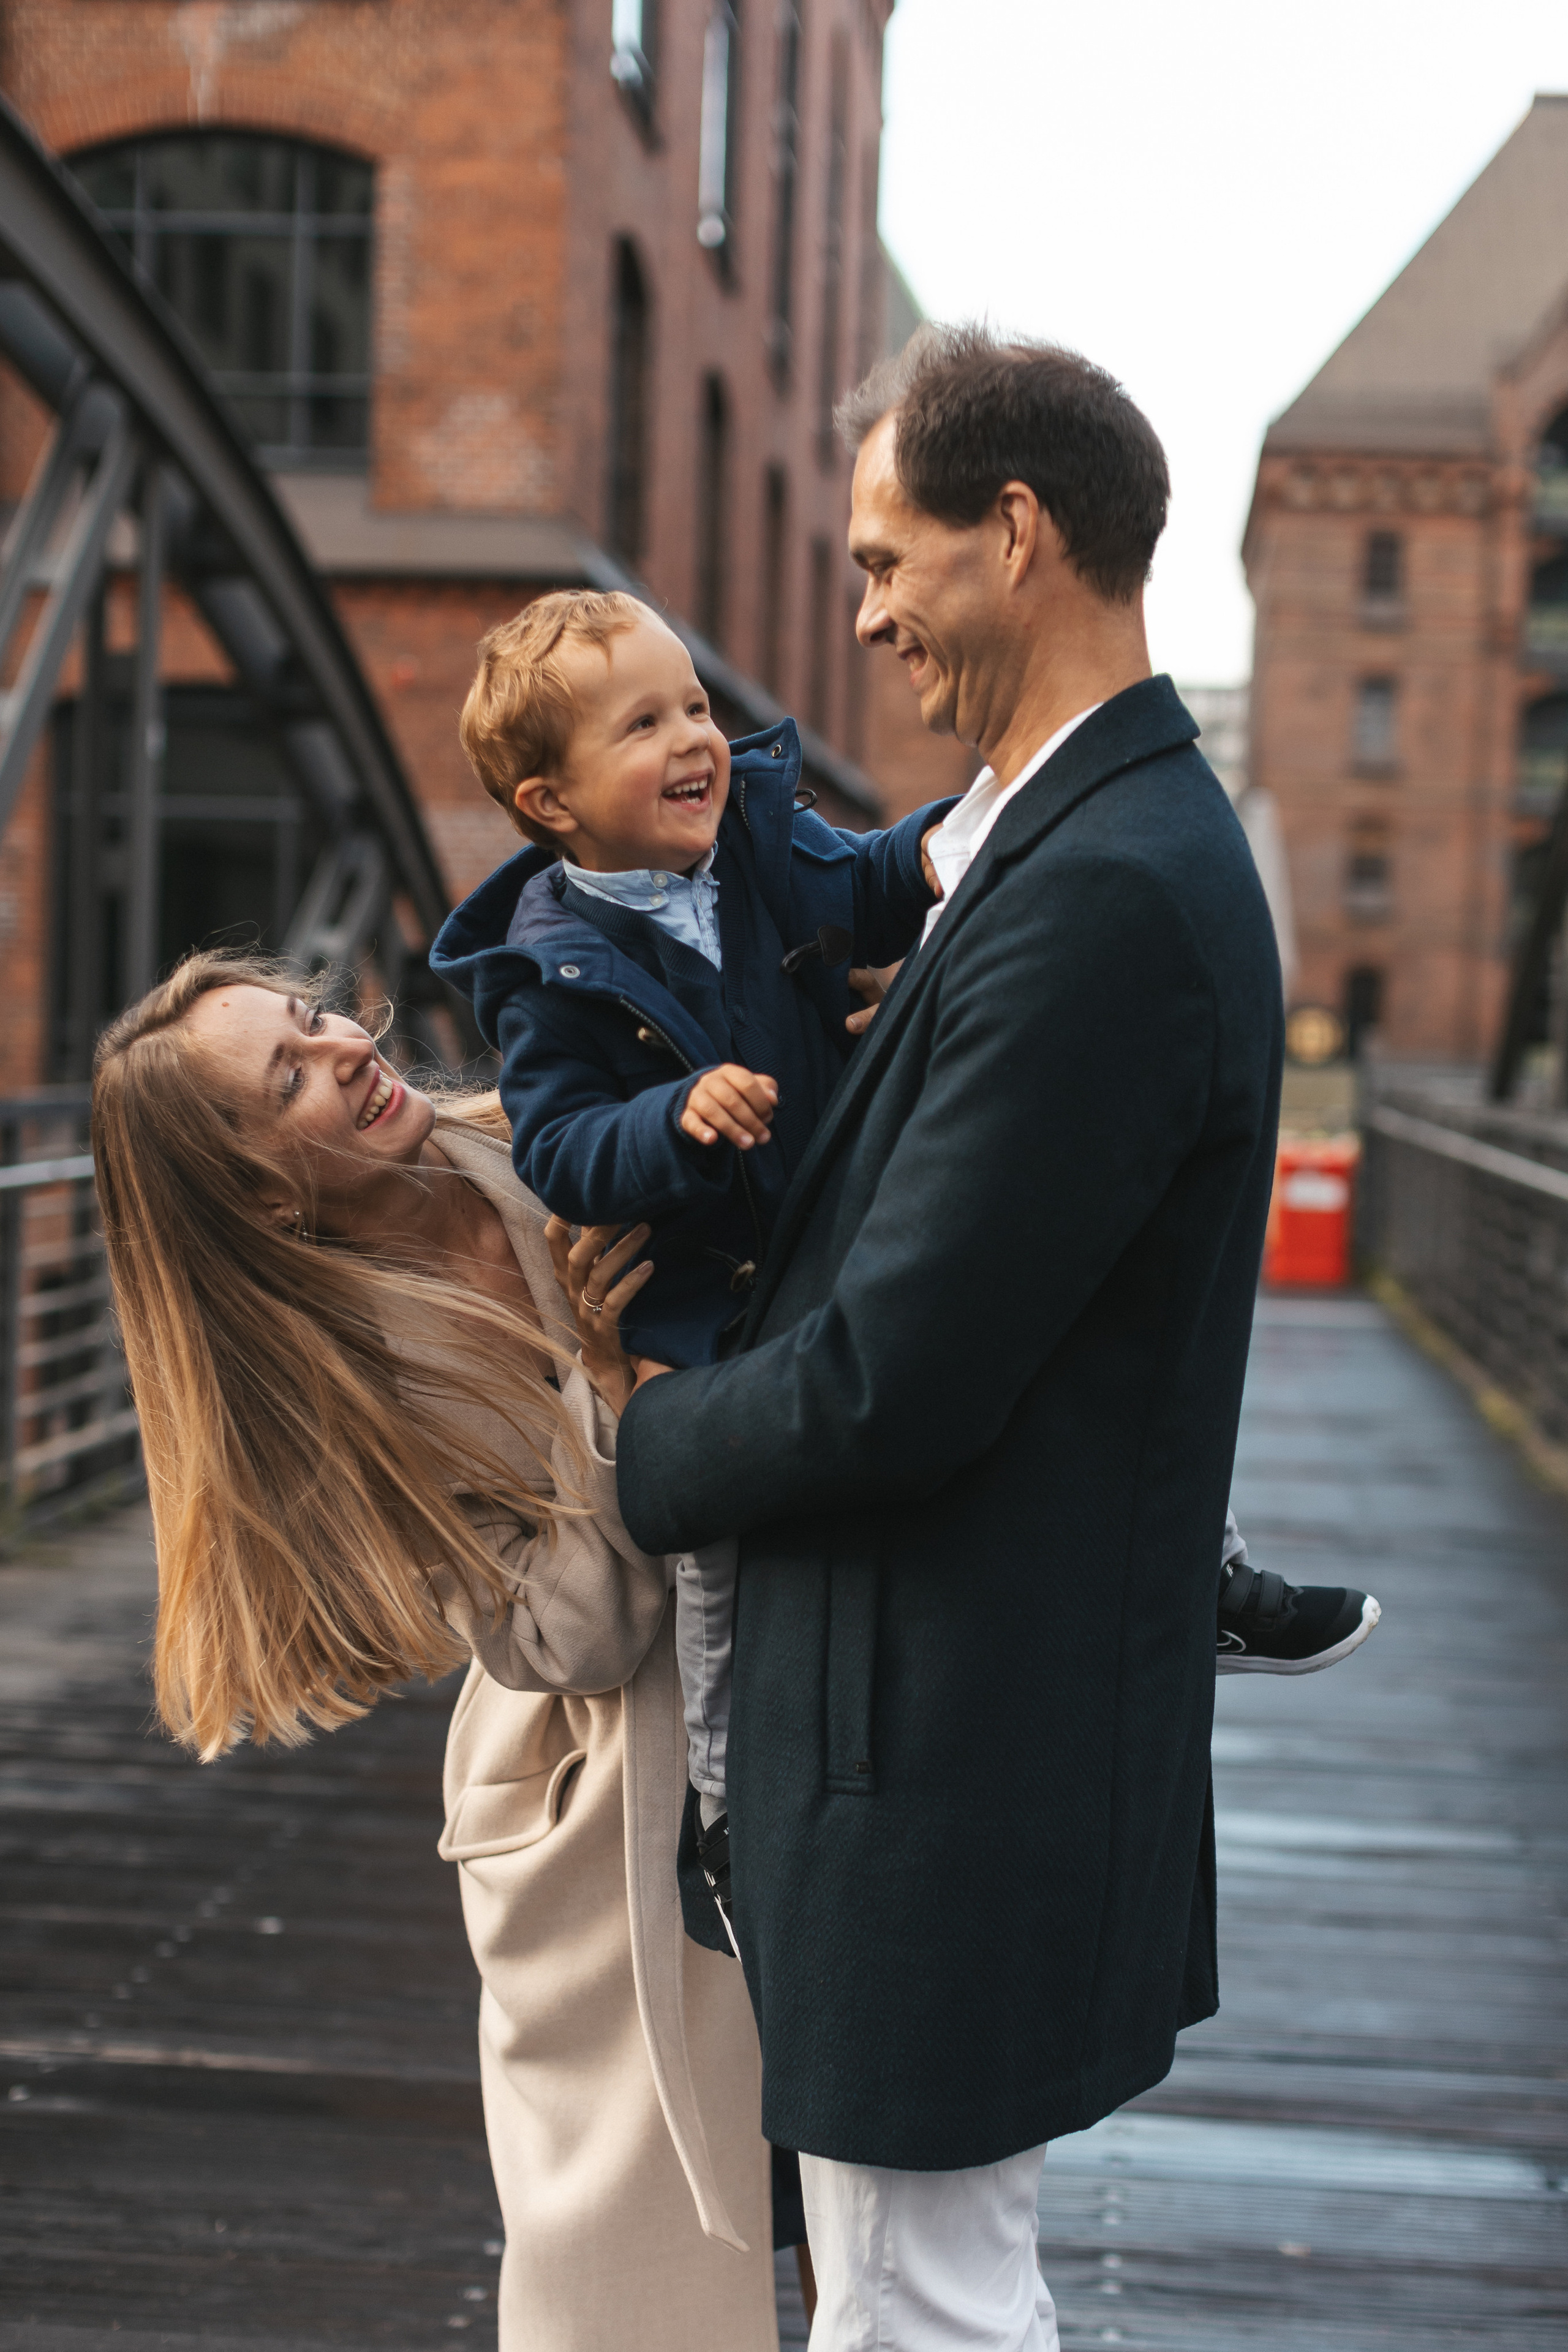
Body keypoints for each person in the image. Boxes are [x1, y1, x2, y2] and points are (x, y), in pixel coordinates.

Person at [607, 325, 1304, 2351]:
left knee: (923, 2311)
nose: (864, 612)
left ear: (1015, 534)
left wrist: (637, 1447)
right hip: (941, 1738)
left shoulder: (1109, 892)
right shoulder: (1053, 851)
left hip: (956, 1757)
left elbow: (897, 1377)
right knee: (919, 2296)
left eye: (887, 558)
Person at [428, 587, 1378, 1958]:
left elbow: (859, 883)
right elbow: (565, 1152)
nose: (695, 736)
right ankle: (726, 1822)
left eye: (693, 702)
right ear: (550, 799)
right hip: (713, 1314)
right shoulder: (544, 972)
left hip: (839, 1225)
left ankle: (1201, 1573)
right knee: (720, 1573)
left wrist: (961, 843)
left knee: (1045, 1331)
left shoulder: (752, 833)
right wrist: (671, 1120)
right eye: (643, 725)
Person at [89, 951, 796, 2352]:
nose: (346, 1052)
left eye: (316, 1020)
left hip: (782, 1694)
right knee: (635, 2268)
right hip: (602, 1810)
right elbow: (575, 1637)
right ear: (254, 1191)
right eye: (286, 1080)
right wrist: (601, 1400)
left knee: (857, 2193)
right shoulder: (347, 1381)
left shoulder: (540, 1141)